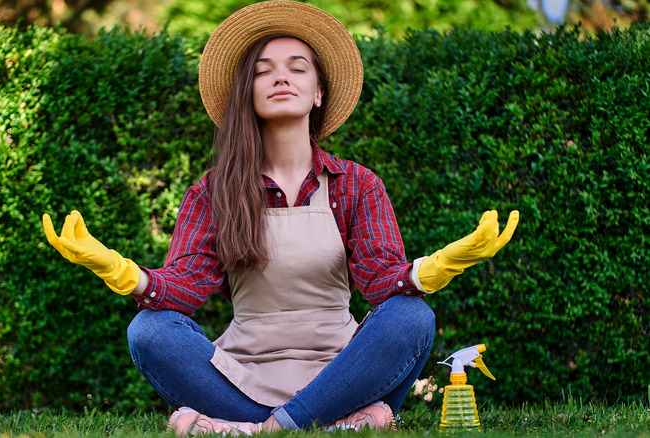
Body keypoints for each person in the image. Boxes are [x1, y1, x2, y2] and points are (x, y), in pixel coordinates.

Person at [42, 1, 520, 435]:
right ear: (247, 93)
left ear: (317, 93)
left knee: (412, 316)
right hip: (240, 375)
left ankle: (250, 431)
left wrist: (436, 266)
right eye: (263, 71)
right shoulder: (213, 192)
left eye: (297, 67)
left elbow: (381, 285)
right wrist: (118, 270)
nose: (280, 77)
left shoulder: (357, 185)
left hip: (343, 374)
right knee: (148, 330)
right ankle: (331, 426)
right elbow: (182, 289)